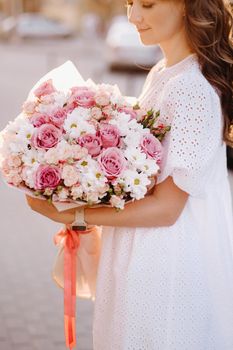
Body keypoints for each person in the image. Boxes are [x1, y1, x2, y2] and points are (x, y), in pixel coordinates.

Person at [26, 0, 233, 349]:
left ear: (186, 6)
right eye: (129, 3)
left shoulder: (192, 89)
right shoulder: (163, 73)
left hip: (167, 262)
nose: (133, 17)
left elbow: (167, 209)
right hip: (139, 249)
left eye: (147, 4)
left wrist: (76, 215)